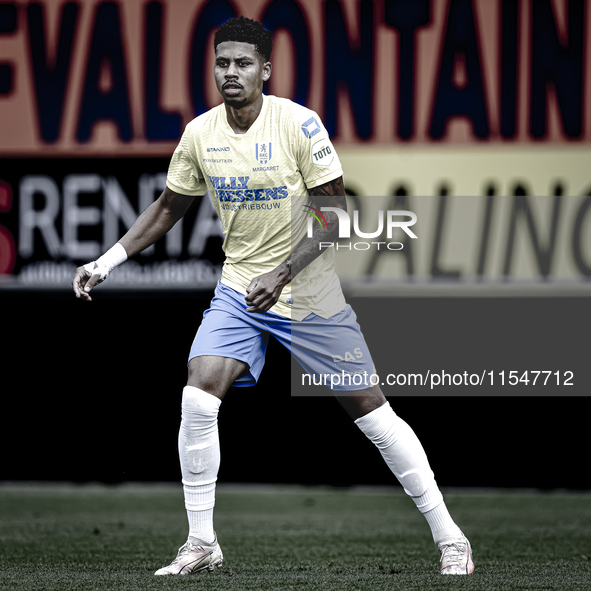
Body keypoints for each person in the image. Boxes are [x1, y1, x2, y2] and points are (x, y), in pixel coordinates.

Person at [72, 16, 474, 576]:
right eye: (222, 63)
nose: (230, 73)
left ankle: (451, 538)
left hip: (307, 291)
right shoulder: (200, 133)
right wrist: (106, 261)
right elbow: (168, 207)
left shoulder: (299, 125)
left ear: (266, 69)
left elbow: (335, 214)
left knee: (372, 413)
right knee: (198, 395)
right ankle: (202, 543)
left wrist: (283, 274)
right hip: (240, 288)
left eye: (242, 63)